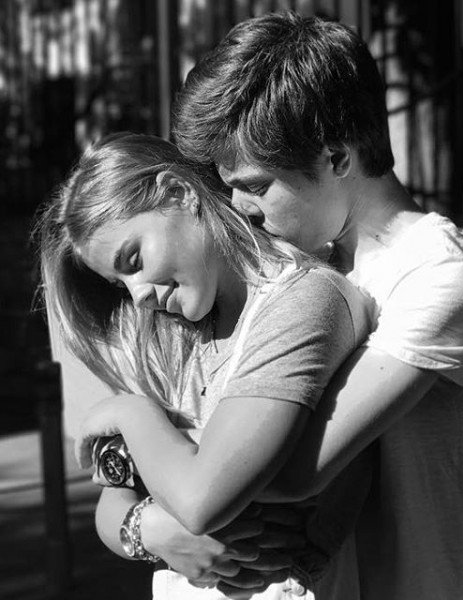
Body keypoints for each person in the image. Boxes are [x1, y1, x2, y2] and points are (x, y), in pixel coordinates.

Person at [163, 10, 463, 600]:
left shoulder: (442, 274)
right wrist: (145, 521)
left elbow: (288, 471)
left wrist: (134, 424)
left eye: (256, 185)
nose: (239, 208)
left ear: (337, 157)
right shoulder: (304, 265)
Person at [38, 131, 375, 599]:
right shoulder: (172, 334)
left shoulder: (305, 300)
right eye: (119, 284)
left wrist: (129, 413)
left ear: (179, 192)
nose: (138, 295)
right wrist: (149, 529)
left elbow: (201, 500)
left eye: (134, 259)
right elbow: (113, 501)